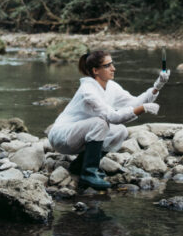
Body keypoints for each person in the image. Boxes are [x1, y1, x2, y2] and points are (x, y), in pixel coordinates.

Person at [48, 50, 170, 190]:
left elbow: (134, 102)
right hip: (62, 136)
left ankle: (79, 166)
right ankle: (89, 173)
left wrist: (157, 86)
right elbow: (113, 117)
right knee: (101, 122)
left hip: (80, 134)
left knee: (120, 131)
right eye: (108, 65)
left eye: (112, 64)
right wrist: (143, 108)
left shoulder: (111, 86)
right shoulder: (88, 90)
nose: (113, 68)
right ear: (95, 71)